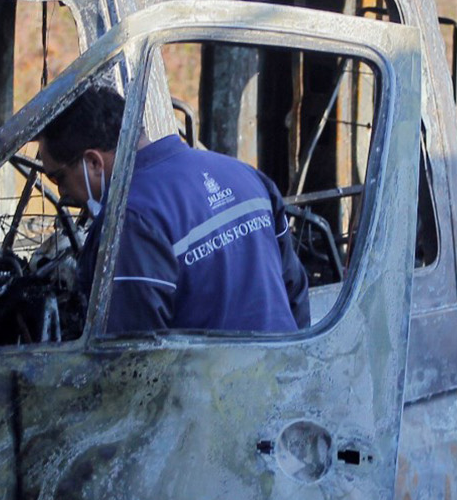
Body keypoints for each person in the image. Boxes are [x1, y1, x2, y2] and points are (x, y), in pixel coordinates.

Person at [33, 86, 309, 335]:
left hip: (205, 387)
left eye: (58, 177)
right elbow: (294, 290)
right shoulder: (245, 175)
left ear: (93, 162)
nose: (62, 193)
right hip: (281, 377)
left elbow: (130, 356)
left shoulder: (129, 220)